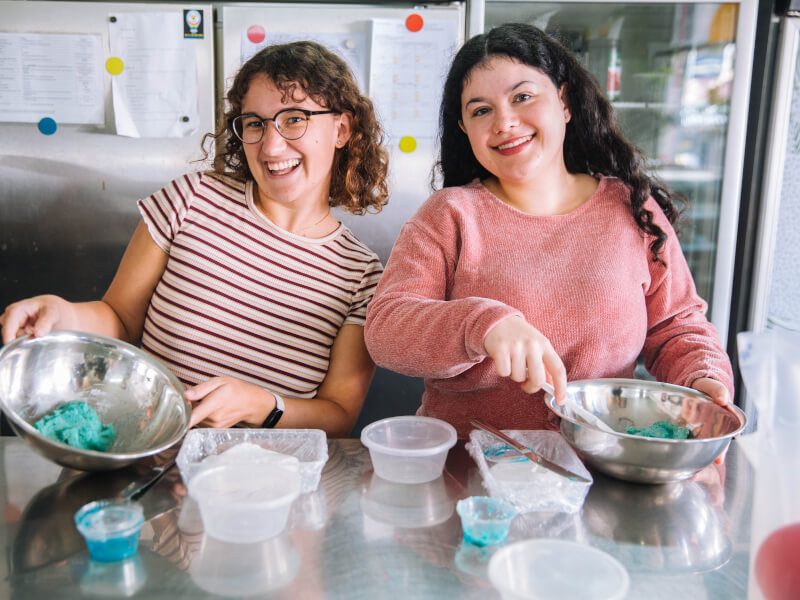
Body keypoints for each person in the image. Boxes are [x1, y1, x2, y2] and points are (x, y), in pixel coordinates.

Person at [364, 23, 734, 440]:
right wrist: (481, 326)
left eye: (522, 97)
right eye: (481, 110)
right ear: (465, 129)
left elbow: (676, 326)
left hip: (601, 468)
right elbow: (386, 328)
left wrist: (702, 381)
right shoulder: (449, 214)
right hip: (469, 475)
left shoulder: (631, 209)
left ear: (564, 101)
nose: (504, 122)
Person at [1, 41, 389, 437]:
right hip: (153, 459)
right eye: (255, 123)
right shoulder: (192, 199)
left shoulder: (360, 275)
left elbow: (339, 414)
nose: (271, 146)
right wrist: (60, 314)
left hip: (271, 482)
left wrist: (260, 405)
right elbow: (118, 319)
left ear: (341, 128)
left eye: (293, 119)